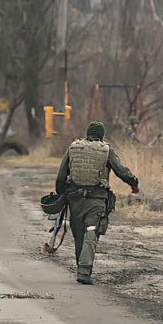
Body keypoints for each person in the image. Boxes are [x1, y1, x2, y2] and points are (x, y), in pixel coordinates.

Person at [56, 121, 139, 285]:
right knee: (91, 231)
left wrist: (61, 195)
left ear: (87, 133)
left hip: (75, 199)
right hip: (96, 199)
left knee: (79, 233)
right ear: (101, 135)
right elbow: (121, 170)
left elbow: (61, 175)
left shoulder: (73, 147)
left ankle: (81, 266)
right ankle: (84, 270)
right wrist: (134, 183)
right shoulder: (105, 150)